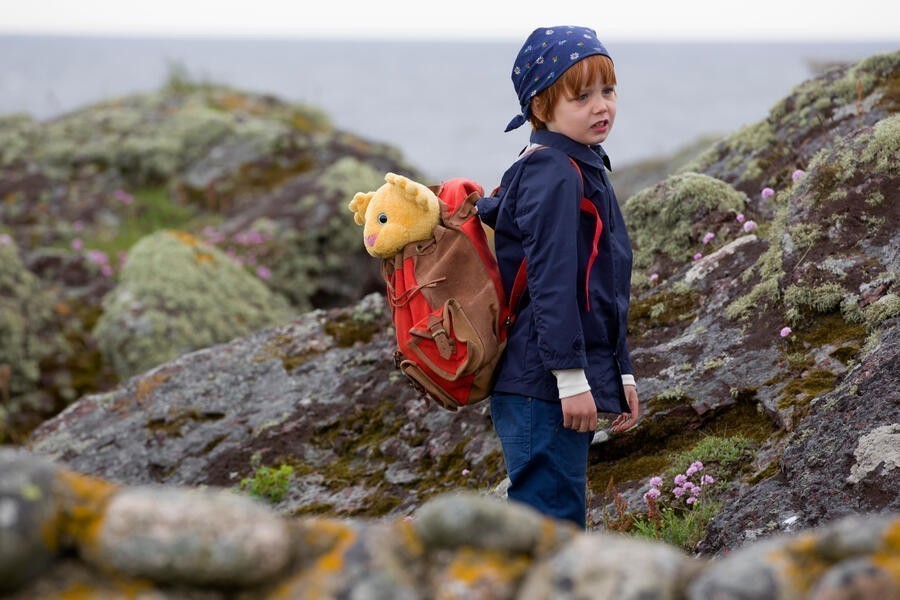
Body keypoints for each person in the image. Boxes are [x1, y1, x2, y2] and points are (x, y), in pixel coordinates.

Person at [476, 25, 640, 529]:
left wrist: (622, 373)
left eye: (607, 91)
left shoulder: (581, 166)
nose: (601, 107)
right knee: (548, 531)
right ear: (541, 107)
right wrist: (571, 381)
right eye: (581, 96)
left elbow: (602, 287)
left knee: (556, 524)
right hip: (542, 384)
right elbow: (552, 283)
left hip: (552, 382)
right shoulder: (554, 172)